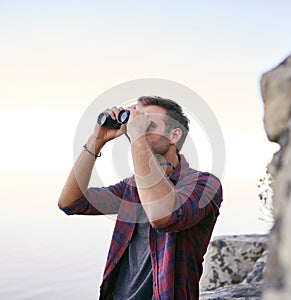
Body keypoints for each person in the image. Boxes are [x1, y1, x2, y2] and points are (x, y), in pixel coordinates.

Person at [58, 96, 223, 300]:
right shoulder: (132, 188)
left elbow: (164, 216)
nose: (138, 126)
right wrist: (96, 140)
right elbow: (71, 203)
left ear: (174, 135)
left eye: (148, 123)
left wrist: (137, 135)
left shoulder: (204, 185)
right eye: (136, 121)